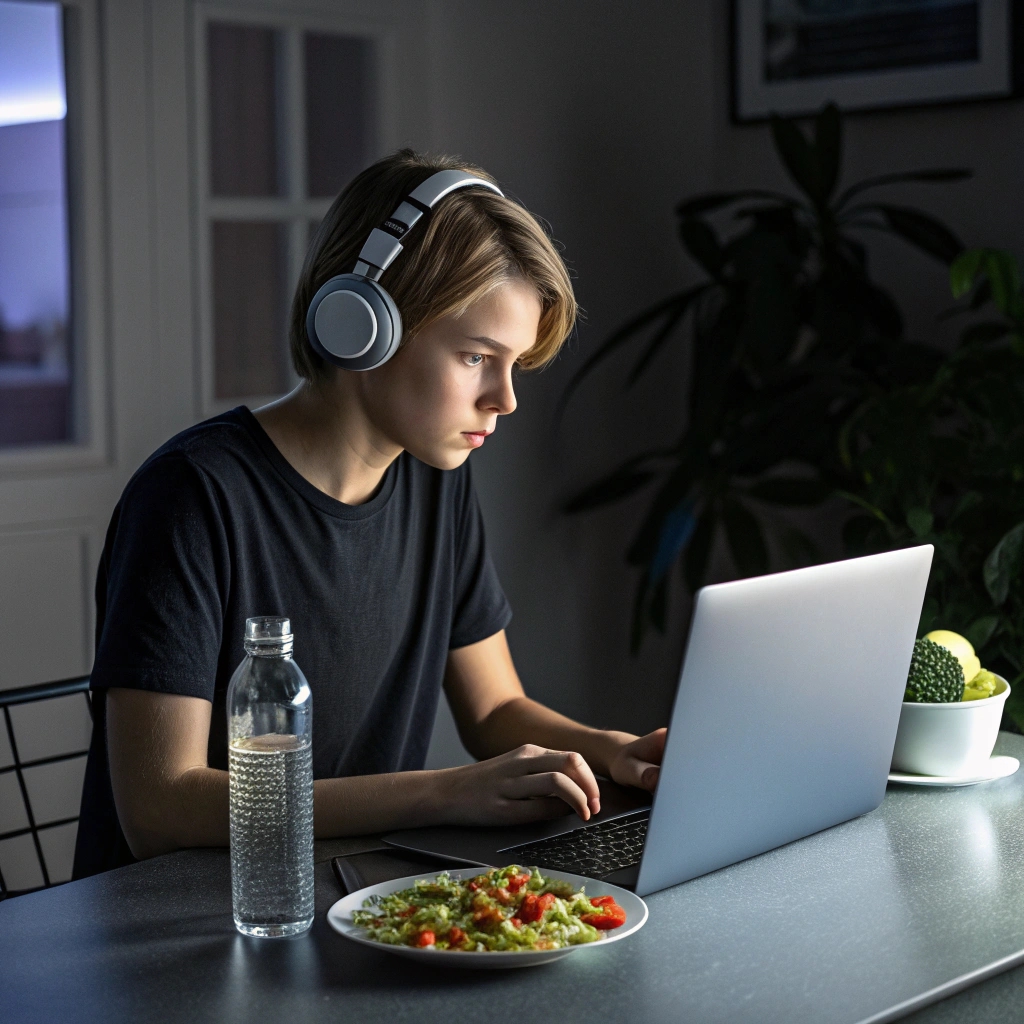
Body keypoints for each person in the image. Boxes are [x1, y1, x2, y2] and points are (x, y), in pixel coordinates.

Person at [73, 149, 666, 879]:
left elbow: (493, 709)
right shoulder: (193, 496)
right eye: (477, 357)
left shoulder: (435, 480)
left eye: (513, 365)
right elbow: (161, 809)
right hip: (179, 928)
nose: (505, 400)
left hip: (345, 896)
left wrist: (610, 749)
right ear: (364, 322)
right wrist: (444, 793)